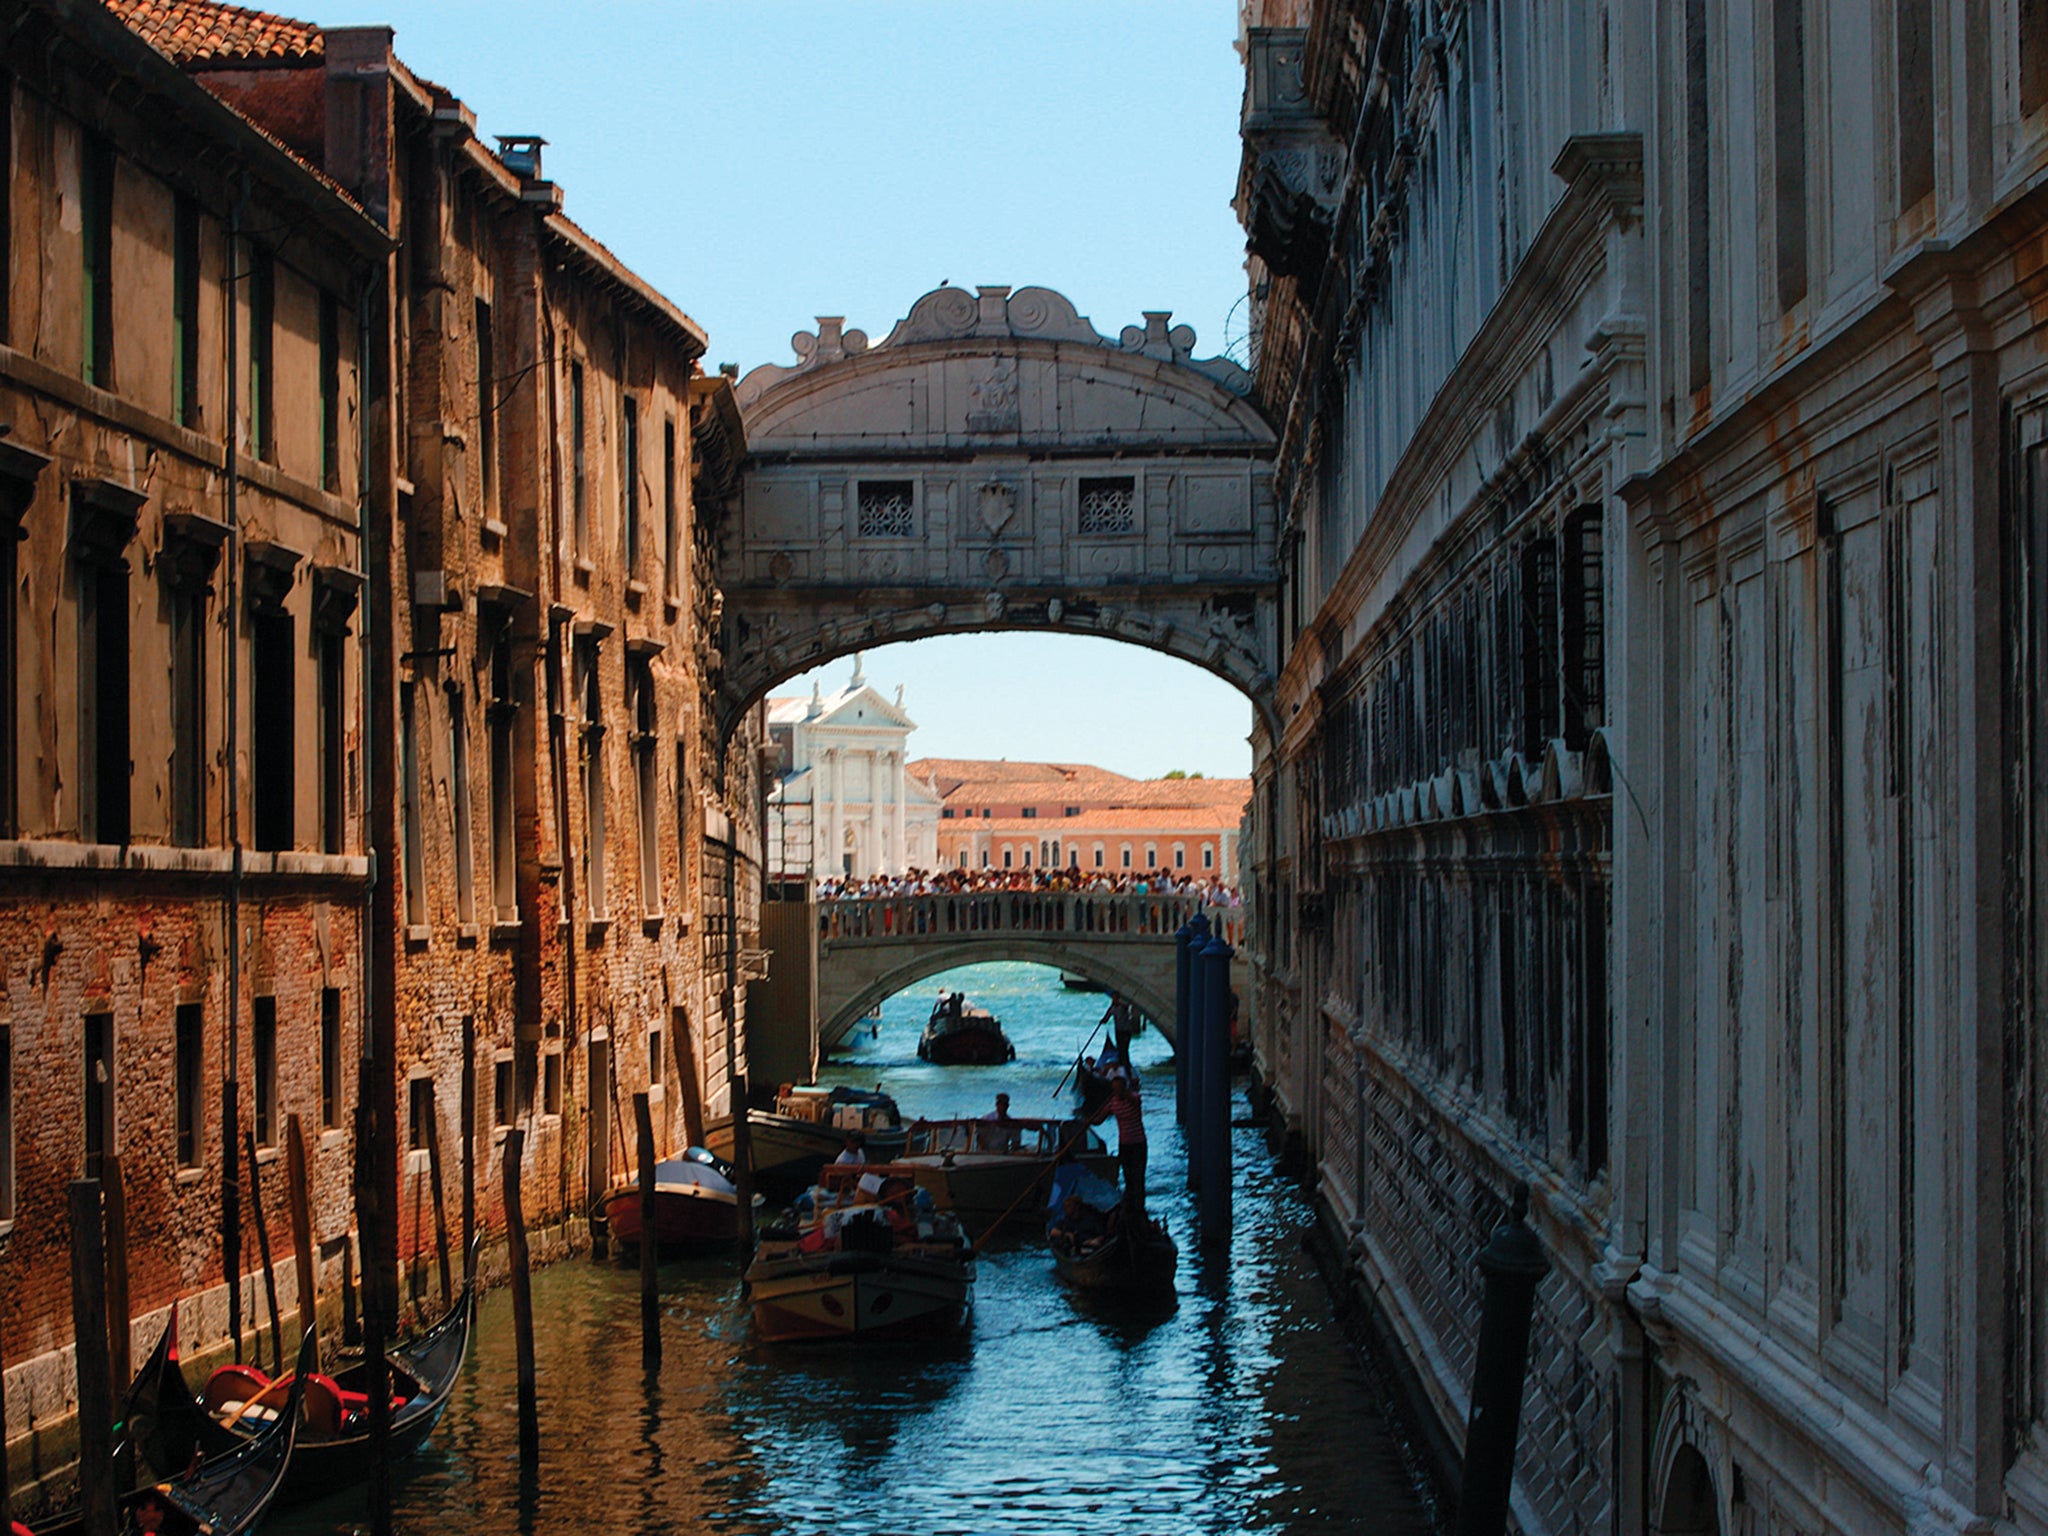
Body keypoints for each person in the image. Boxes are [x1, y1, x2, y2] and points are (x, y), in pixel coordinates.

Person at [1085, 1070, 1147, 1219]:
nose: (1116, 1091)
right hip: (1124, 1144)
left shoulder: (1134, 1098)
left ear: (1124, 1088)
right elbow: (1099, 1119)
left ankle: (1140, 1208)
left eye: (1119, 1088)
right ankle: (1130, 1206)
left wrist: (1123, 1094)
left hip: (1138, 1143)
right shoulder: (1112, 1103)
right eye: (1114, 1089)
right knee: (1127, 1175)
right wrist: (1087, 1120)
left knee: (1138, 1176)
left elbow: (1134, 1100)